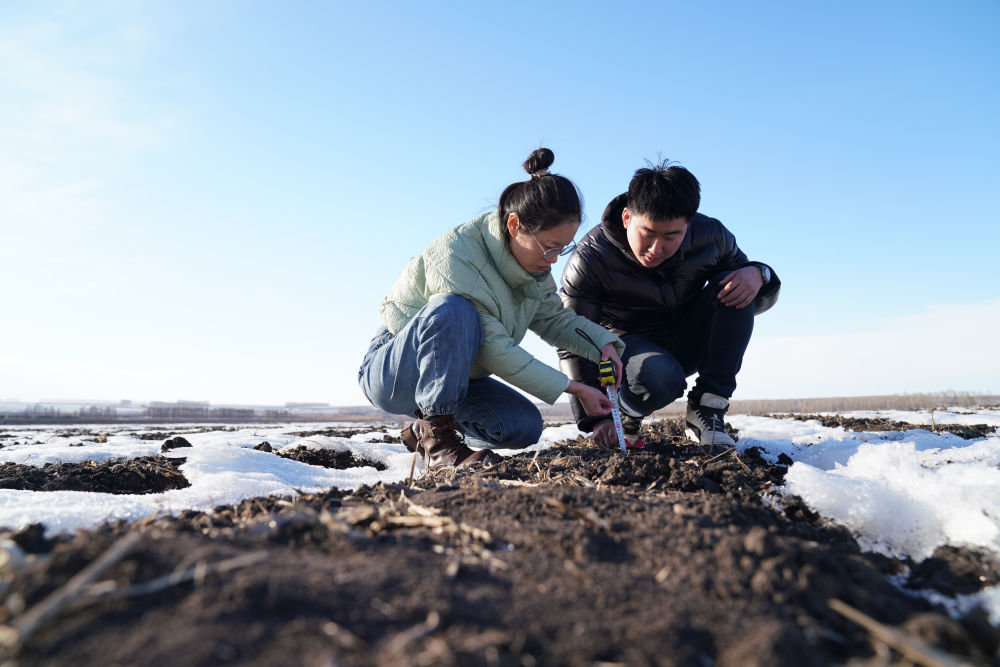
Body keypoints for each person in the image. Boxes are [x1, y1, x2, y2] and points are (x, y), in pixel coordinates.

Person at [359, 148, 625, 470]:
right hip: (396, 369)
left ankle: (424, 428)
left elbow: (555, 319)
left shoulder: (535, 270)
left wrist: (603, 345)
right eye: (549, 246)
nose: (555, 258)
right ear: (514, 225)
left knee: (522, 425)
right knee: (454, 308)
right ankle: (440, 442)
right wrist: (575, 387)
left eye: (563, 247)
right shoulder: (458, 254)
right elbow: (496, 350)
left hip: (460, 377)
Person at [558, 160, 780, 449]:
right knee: (660, 376)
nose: (655, 249)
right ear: (627, 218)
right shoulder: (589, 259)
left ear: (687, 226)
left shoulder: (712, 237)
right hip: (629, 354)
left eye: (670, 237)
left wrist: (760, 273)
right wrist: (596, 418)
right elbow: (574, 341)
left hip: (687, 338)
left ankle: (707, 411)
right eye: (647, 234)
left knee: (737, 281)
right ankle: (626, 413)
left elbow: (749, 302)